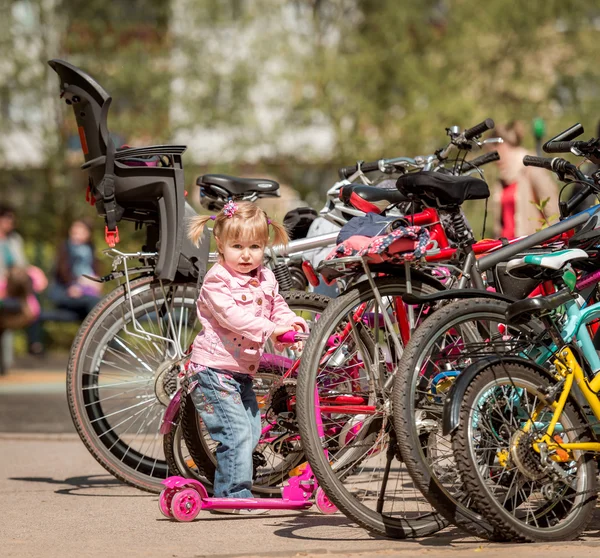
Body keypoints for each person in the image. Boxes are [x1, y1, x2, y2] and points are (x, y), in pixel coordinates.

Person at [186, 200, 307, 511]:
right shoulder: (218, 280)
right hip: (213, 371)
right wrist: (271, 330)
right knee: (237, 433)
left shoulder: (265, 276)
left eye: (254, 246)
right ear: (221, 244)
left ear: (265, 245)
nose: (246, 254)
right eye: (237, 246)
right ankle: (235, 498)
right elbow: (233, 318)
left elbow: (276, 304)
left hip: (240, 372)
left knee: (250, 432)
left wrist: (289, 320)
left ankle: (226, 491)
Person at [491, 121, 559, 238]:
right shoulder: (502, 180)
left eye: (493, 151)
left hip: (529, 248)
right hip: (505, 249)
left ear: (503, 146)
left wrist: (549, 241)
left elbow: (553, 211)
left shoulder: (531, 167)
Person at [0, 203, 47, 362]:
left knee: (30, 285)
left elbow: (22, 264)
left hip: (16, 286)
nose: (10, 223)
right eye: (7, 219)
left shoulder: (15, 240)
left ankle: (34, 342)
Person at [49, 219, 102, 320]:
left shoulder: (90, 249)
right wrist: (74, 285)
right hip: (66, 293)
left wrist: (97, 283)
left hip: (88, 293)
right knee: (95, 304)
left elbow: (96, 272)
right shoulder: (65, 248)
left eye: (80, 232)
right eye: (74, 232)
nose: (76, 235)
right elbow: (62, 271)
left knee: (105, 303)